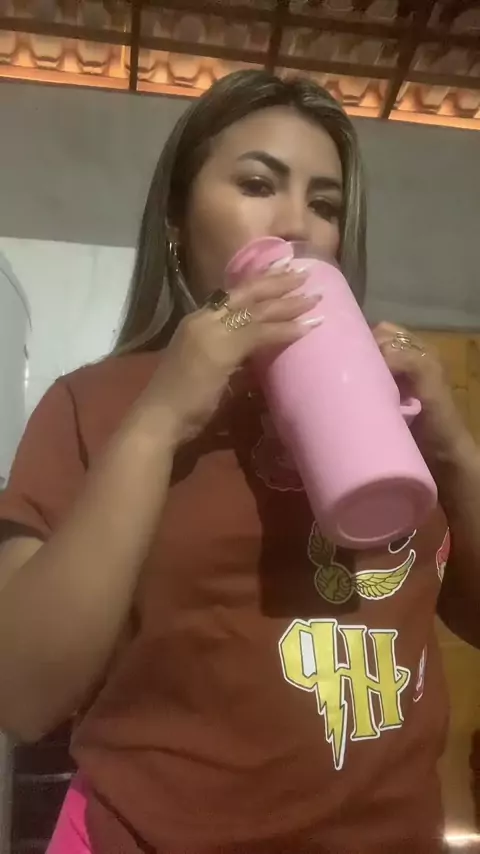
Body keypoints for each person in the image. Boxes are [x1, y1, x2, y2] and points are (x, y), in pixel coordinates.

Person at [0, 69, 479, 854]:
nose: (298, 225)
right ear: (177, 222)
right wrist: (159, 421)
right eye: (258, 184)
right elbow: (23, 694)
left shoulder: (395, 400)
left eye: (326, 205)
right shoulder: (97, 403)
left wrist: (455, 449)